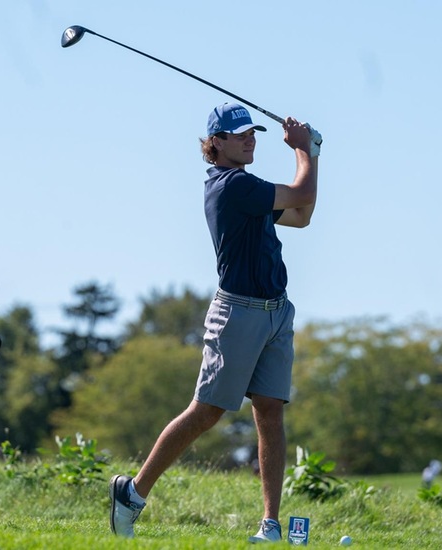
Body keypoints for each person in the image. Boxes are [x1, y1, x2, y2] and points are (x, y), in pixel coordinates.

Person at [108, 102, 321, 543]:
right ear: (216, 143)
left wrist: (311, 156)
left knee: (270, 414)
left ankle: (271, 524)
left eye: (253, 133)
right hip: (238, 312)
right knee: (207, 412)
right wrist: (304, 150)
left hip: (276, 312)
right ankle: (131, 494)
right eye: (240, 134)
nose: (250, 139)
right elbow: (300, 196)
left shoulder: (250, 190)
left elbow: (301, 216)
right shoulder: (231, 187)